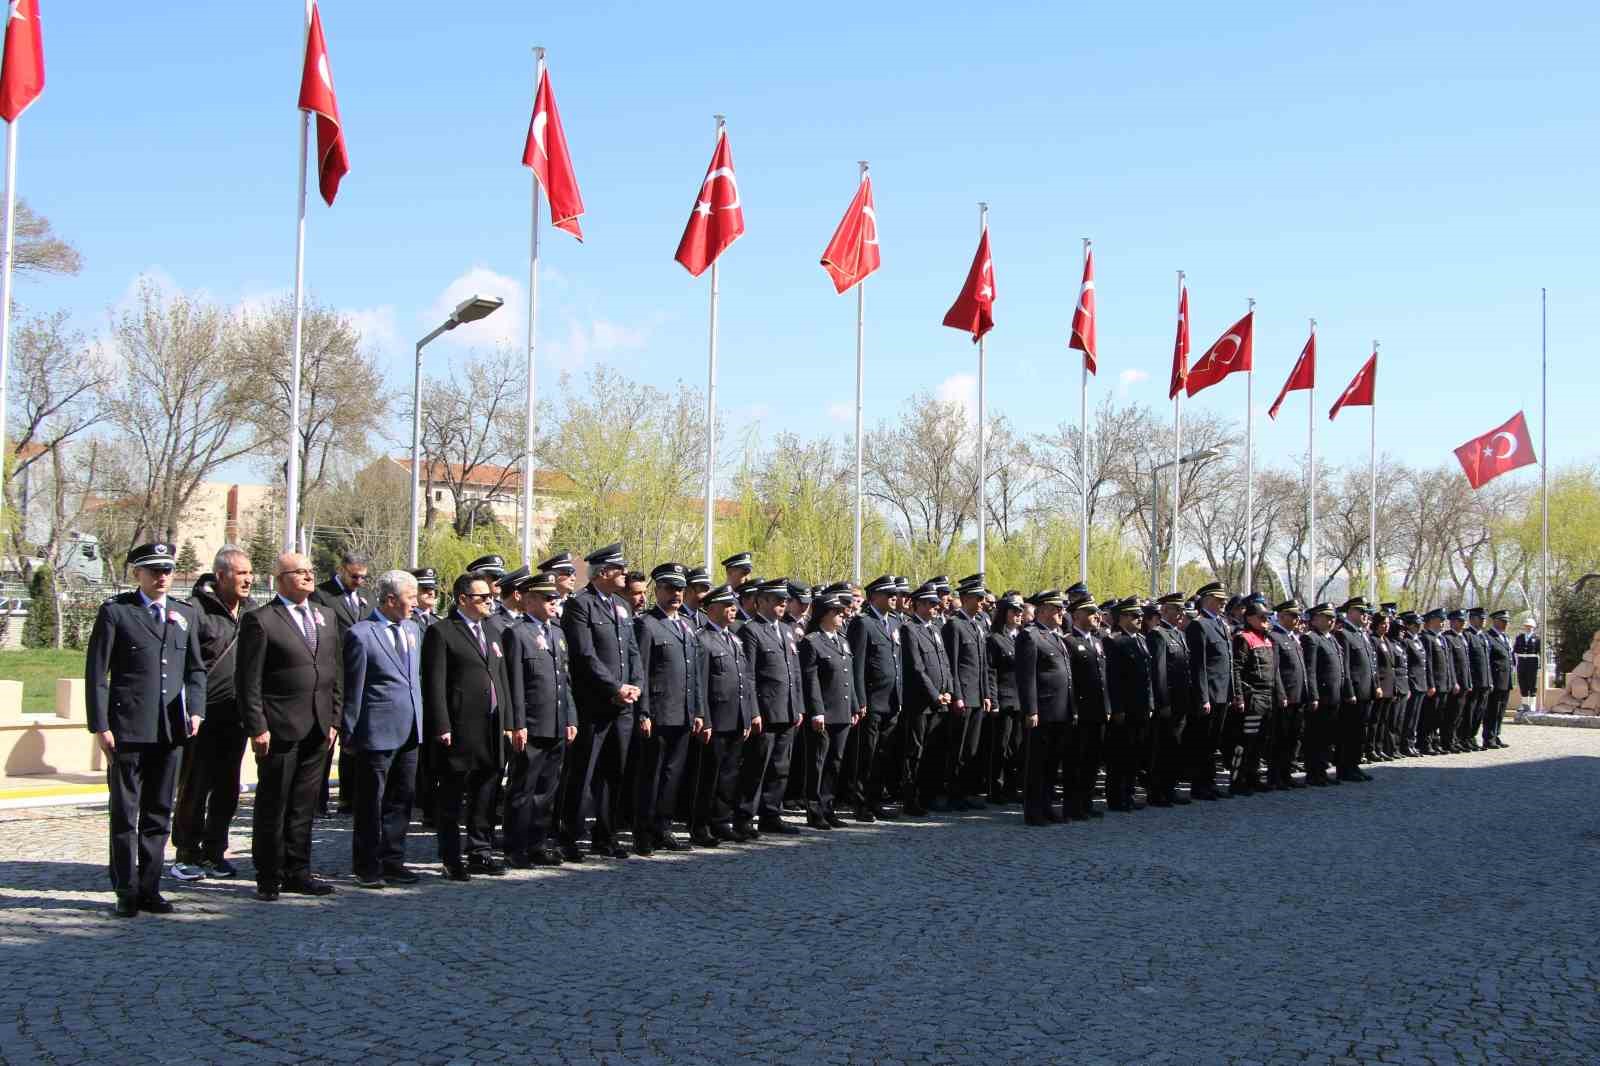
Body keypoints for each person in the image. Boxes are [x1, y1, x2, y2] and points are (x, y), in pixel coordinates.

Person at [85, 542, 207, 917]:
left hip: (170, 728)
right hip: (128, 728)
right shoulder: (117, 612)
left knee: (159, 811)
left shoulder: (184, 614)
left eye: (167, 570)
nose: (162, 577)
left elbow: (195, 669)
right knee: (125, 812)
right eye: (154, 570)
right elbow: (97, 674)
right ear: (137, 573)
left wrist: (197, 711)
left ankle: (150, 887)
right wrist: (100, 725)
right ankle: (126, 888)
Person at [236, 551, 342, 901]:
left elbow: (335, 671)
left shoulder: (325, 616)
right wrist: (257, 726)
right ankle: (268, 875)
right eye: (300, 572)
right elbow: (248, 680)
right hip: (279, 727)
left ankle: (299, 870)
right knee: (274, 804)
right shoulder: (262, 620)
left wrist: (334, 719)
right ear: (280, 579)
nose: (309, 577)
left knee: (304, 804)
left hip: (318, 726)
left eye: (311, 571)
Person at [422, 571, 511, 880]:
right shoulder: (443, 632)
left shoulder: (493, 631)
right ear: (463, 599)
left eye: (491, 596)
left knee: (486, 793)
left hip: (491, 726)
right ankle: (451, 857)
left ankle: (480, 851)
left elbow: (501, 679)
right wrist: (442, 725)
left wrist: (509, 721)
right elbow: (435, 684)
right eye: (482, 597)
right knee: (451, 795)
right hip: (459, 727)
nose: (490, 602)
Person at [171, 547, 253, 881]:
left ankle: (214, 851)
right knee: (195, 786)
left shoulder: (251, 613)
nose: (248, 579)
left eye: (250, 573)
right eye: (240, 573)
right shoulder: (194, 612)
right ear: (220, 576)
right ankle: (186, 852)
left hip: (236, 716)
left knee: (227, 787)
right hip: (201, 717)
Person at [341, 570, 425, 888]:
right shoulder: (361, 634)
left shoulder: (414, 630)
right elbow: (355, 688)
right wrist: (349, 732)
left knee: (401, 800)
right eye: (410, 598)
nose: (415, 604)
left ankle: (393, 859)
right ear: (390, 600)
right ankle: (367, 864)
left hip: (409, 728)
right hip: (376, 732)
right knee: (370, 802)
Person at [560, 543, 643, 860]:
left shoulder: (620, 607)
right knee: (583, 772)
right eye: (619, 569)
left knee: (614, 772)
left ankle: (605, 836)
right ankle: (570, 835)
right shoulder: (581, 605)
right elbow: (584, 655)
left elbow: (632, 650)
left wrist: (635, 685)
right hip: (595, 703)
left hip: (622, 704)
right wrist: (614, 686)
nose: (624, 573)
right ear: (603, 573)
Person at [502, 571, 578, 866]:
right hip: (531, 724)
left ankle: (537, 843)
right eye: (547, 598)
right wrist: (517, 723)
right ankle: (515, 846)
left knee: (547, 790)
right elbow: (516, 683)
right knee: (523, 789)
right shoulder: (517, 633)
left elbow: (565, 681)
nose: (553, 603)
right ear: (529, 599)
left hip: (557, 721)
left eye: (555, 598)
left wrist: (570, 717)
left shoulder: (557, 634)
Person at [632, 563, 704, 856]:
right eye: (670, 588)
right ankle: (643, 833)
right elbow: (642, 672)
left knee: (673, 776)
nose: (676, 594)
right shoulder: (646, 624)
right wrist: (644, 712)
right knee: (651, 775)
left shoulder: (686, 626)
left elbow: (694, 673)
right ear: (657, 590)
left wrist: (698, 710)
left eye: (679, 589)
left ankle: (664, 827)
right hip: (659, 713)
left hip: (683, 713)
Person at [734, 578, 802, 840]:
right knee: (756, 766)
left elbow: (793, 672)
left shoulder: (785, 630)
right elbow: (748, 675)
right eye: (776, 600)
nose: (782, 604)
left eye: (784, 601)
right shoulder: (751, 630)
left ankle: (771, 814)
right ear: (760, 601)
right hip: (765, 709)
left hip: (787, 709)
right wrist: (753, 711)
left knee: (780, 767)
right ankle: (744, 817)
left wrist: (798, 707)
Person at [691, 584, 756, 843]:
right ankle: (700, 825)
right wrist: (704, 718)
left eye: (734, 606)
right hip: (715, 719)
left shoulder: (734, 637)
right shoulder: (703, 639)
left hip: (736, 717)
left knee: (729, 775)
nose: (733, 610)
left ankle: (720, 821)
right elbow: (701, 683)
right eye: (728, 606)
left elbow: (745, 679)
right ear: (713, 608)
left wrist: (749, 714)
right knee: (708, 776)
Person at [312, 550, 371, 815]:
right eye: (354, 576)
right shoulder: (322, 595)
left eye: (363, 577)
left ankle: (349, 797)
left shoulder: (366, 600)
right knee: (326, 739)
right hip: (333, 675)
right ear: (341, 569)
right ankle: (317, 800)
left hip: (360, 678)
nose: (358, 581)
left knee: (355, 739)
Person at [799, 592, 860, 830]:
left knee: (835, 762)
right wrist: (816, 711)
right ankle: (814, 811)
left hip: (843, 710)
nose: (842, 615)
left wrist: (854, 705)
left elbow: (849, 677)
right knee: (818, 762)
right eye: (836, 612)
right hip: (824, 711)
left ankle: (828, 806)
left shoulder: (842, 640)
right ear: (824, 614)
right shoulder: (812, 641)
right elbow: (810, 680)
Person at [843, 574, 902, 822]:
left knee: (883, 755)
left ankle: (875, 800)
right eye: (888, 594)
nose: (894, 598)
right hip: (872, 700)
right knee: (866, 755)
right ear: (874, 597)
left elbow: (898, 663)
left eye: (894, 594)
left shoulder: (894, 623)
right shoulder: (863, 623)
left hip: (892, 699)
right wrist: (860, 700)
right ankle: (861, 804)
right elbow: (857, 665)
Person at [1016, 590, 1072, 825]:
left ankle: (1048, 806)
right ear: (1042, 610)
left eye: (1061, 608)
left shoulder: (1056, 636)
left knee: (1052, 764)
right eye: (1056, 607)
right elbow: (1026, 677)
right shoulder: (1030, 636)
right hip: (1042, 711)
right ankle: (1034, 811)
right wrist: (1031, 710)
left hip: (1061, 710)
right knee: (1037, 764)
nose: (1061, 612)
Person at [937, 579, 991, 810]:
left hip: (977, 694)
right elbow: (953, 664)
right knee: (957, 747)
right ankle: (953, 793)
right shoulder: (954, 625)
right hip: (963, 695)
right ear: (966, 598)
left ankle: (965, 791)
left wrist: (987, 693)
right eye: (978, 598)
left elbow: (982, 665)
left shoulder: (976, 624)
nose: (982, 603)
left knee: (971, 748)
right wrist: (956, 694)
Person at [1184, 581, 1236, 800]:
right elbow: (1199, 666)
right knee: (1202, 742)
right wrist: (1203, 697)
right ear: (1206, 600)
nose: (1223, 603)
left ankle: (1210, 782)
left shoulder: (1222, 624)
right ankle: (1200, 785)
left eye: (1224, 600)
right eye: (1219, 600)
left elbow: (1228, 662)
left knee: (1214, 741)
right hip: (1209, 694)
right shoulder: (1200, 624)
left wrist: (1232, 692)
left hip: (1223, 692)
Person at [1063, 585, 1111, 817]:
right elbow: (1069, 681)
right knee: (1077, 759)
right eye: (1091, 612)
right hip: (1080, 710)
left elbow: (1104, 677)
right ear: (1077, 615)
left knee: (1093, 758)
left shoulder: (1098, 642)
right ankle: (1073, 804)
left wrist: (1108, 707)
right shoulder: (1069, 642)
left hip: (1098, 709)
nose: (1097, 616)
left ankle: (1087, 801)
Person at [1230, 601, 1287, 795]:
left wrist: (1281, 695)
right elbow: (1236, 670)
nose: (1266, 621)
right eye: (1262, 617)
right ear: (1250, 618)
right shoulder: (1243, 638)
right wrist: (1239, 696)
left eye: (1267, 618)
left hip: (1267, 697)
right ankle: (1238, 781)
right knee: (1246, 742)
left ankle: (1253, 777)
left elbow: (1275, 671)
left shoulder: (1268, 639)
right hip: (1252, 697)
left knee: (1261, 742)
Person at [1103, 598, 1154, 811]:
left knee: (1134, 753)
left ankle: (1130, 793)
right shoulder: (1113, 641)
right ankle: (1116, 796)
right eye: (1134, 616)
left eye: (1140, 615)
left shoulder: (1141, 639)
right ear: (1122, 617)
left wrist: (1150, 702)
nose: (1139, 619)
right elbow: (1113, 679)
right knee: (1119, 754)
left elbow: (1148, 676)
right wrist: (1118, 708)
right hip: (1125, 707)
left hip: (1141, 705)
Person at [1146, 592, 1194, 806]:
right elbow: (1159, 672)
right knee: (1162, 748)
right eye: (1177, 609)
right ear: (1165, 610)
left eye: (1182, 610)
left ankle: (1170, 787)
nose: (1181, 614)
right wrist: (1162, 702)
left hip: (1182, 701)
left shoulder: (1179, 634)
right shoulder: (1158, 634)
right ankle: (1157, 791)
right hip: (1168, 702)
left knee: (1176, 747)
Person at [984, 594, 1026, 805]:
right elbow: (990, 672)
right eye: (1014, 611)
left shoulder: (1021, 637)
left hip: (1020, 700)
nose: (1019, 615)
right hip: (1004, 698)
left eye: (1020, 612)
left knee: (1016, 748)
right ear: (1004, 614)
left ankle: (1012, 786)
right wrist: (993, 700)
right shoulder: (994, 639)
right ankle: (996, 788)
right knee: (1000, 747)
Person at [1264, 600, 1309, 789]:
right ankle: (1275, 776)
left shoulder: (1293, 638)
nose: (1298, 619)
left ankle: (1286, 773)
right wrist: (1281, 694)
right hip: (1285, 697)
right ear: (1282, 616)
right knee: (1280, 739)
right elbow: (1275, 670)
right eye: (1294, 616)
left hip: (1298, 695)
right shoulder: (1275, 637)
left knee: (1292, 738)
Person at [1299, 604, 1344, 786]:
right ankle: (1313, 772)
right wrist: (1314, 695)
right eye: (1327, 617)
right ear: (1315, 619)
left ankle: (1323, 770)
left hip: (1334, 695)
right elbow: (1310, 670)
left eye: (1332, 617)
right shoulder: (1311, 639)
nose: (1331, 620)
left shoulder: (1331, 639)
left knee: (1327, 736)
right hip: (1322, 696)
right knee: (1315, 736)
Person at [1334, 598, 1377, 782]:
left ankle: (1354, 764)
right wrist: (1349, 691)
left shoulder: (1362, 634)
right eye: (1361, 611)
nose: (1365, 614)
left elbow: (1370, 665)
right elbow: (1347, 667)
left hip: (1366, 691)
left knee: (1360, 732)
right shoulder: (1344, 634)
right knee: (1348, 732)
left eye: (1366, 611)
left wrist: (1375, 687)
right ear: (1350, 612)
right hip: (1354, 693)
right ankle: (1344, 768)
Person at [1419, 608, 1455, 754]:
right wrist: (1431, 684)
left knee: (1438, 716)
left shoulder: (1442, 639)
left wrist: (1451, 681)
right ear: (1431, 621)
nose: (1442, 623)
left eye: (1443, 621)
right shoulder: (1426, 638)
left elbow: (1448, 663)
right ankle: (1425, 743)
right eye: (1440, 620)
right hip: (1434, 685)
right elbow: (1428, 664)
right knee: (1429, 716)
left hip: (1444, 684)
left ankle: (1434, 741)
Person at [1441, 610, 1470, 754]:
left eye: (1464, 620)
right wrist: (1454, 682)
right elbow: (1450, 663)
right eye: (1460, 620)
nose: (1463, 623)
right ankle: (1448, 741)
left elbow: (1466, 664)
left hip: (1464, 682)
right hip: (1456, 683)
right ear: (1452, 621)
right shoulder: (1448, 637)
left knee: (1459, 715)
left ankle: (1455, 739)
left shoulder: (1461, 637)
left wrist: (1468, 682)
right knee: (1451, 715)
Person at [1463, 607, 1492, 751]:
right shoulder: (1467, 635)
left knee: (1480, 711)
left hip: (1485, 681)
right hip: (1474, 681)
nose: (1484, 620)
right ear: (1472, 619)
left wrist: (1489, 680)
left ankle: (1473, 736)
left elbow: (1487, 661)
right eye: (1481, 618)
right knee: (1470, 711)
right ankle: (1465, 737)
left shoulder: (1484, 636)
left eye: (1484, 618)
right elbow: (1466, 661)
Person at [1485, 609, 1514, 748]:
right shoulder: (1489, 637)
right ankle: (1488, 737)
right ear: (1495, 621)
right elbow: (1488, 661)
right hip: (1496, 679)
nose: (1506, 624)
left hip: (1506, 679)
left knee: (1501, 710)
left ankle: (1496, 735)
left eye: (1507, 622)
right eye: (1503, 621)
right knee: (1492, 709)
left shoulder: (1506, 638)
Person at [1513, 618, 1541, 714]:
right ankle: (1525, 705)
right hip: (1522, 662)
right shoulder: (1519, 637)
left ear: (1533, 627)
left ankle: (1532, 706)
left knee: (1532, 683)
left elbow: (1540, 652)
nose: (1528, 628)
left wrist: (1540, 666)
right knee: (1523, 682)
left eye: (1530, 626)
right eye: (1527, 626)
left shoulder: (1537, 638)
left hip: (1532, 662)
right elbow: (1515, 650)